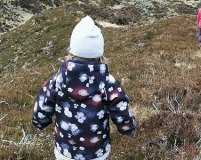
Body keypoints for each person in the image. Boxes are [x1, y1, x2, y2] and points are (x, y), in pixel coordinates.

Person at [32, 16, 136, 160]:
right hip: (97, 152)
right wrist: (128, 129)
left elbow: (43, 103)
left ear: (72, 51)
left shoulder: (58, 79)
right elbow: (121, 109)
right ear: (100, 53)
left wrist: (40, 122)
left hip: (65, 150)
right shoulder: (107, 82)